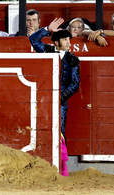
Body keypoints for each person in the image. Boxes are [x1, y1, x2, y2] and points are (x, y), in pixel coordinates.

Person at [29, 18, 80, 177]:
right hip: (43, 101)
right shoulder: (47, 51)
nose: (68, 42)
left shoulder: (73, 59)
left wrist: (58, 98)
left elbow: (75, 84)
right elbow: (33, 39)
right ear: (56, 42)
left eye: (68, 39)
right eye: (65, 39)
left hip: (60, 103)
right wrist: (47, 29)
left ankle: (62, 168)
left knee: (60, 132)